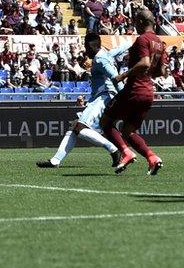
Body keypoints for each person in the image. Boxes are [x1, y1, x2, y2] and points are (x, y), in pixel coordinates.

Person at [37, 32, 130, 168]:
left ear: (91, 47)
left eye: (87, 48)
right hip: (100, 97)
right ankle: (56, 160)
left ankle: (114, 150)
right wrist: (133, 42)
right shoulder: (106, 54)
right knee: (74, 126)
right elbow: (121, 48)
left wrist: (123, 95)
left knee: (80, 127)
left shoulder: (100, 60)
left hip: (104, 97)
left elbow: (115, 77)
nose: (86, 51)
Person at [100, 10, 167, 175]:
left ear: (141, 21)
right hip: (148, 93)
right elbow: (162, 71)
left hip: (134, 90)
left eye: (135, 21)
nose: (134, 24)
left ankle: (126, 152)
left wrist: (122, 76)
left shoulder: (142, 39)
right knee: (128, 131)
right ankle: (152, 158)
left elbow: (144, 63)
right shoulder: (159, 42)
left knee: (105, 122)